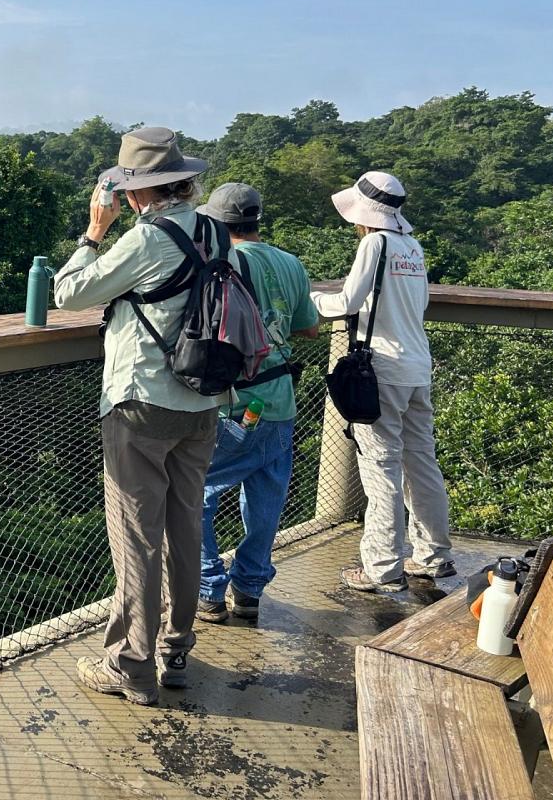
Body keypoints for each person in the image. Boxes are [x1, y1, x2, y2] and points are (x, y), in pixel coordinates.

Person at [54, 126, 229, 704]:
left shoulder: (149, 238)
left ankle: (131, 664)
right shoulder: (213, 231)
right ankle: (177, 646)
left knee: (136, 537)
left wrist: (92, 233)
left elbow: (71, 292)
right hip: (202, 401)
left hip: (142, 403)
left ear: (136, 193)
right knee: (185, 527)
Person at [311, 172, 455, 592]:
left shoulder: (374, 243)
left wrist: (310, 298)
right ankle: (433, 556)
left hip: (384, 373)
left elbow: (347, 303)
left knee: (382, 468)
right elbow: (421, 302)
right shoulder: (412, 245)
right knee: (421, 463)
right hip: (416, 367)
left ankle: (381, 568)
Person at [193, 184, 320, 623]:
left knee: (193, 491)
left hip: (234, 403)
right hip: (280, 400)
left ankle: (209, 587)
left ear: (216, 223)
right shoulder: (290, 263)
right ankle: (248, 588)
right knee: (266, 498)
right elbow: (309, 327)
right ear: (257, 220)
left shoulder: (219, 262)